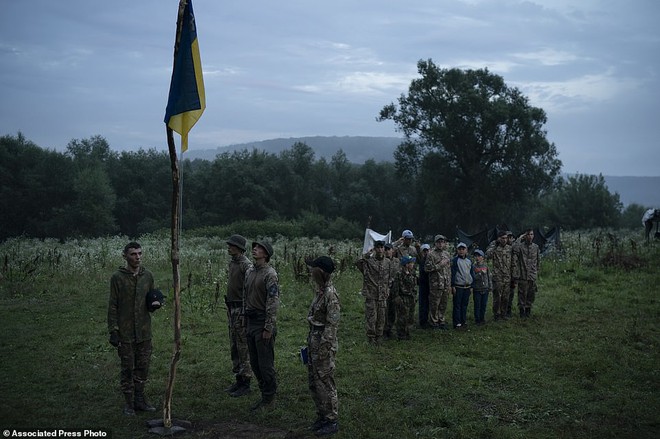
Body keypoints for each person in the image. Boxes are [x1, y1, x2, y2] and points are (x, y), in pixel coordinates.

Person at [107, 241, 162, 415]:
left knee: (143, 367)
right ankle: (129, 403)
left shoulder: (147, 276)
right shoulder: (118, 277)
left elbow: (151, 297)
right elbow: (113, 305)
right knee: (127, 368)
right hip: (125, 333)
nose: (137, 257)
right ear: (125, 256)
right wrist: (113, 330)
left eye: (139, 253)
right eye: (133, 254)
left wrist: (155, 303)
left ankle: (140, 400)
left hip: (144, 332)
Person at [306, 256, 341, 436]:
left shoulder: (330, 294)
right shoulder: (320, 291)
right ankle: (322, 415)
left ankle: (331, 419)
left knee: (325, 380)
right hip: (314, 340)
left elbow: (331, 325)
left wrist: (324, 348)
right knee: (314, 381)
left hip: (323, 343)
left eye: (313, 268)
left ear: (320, 271)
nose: (311, 271)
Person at [244, 240, 280, 410]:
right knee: (255, 363)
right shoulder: (250, 271)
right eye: (254, 247)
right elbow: (246, 295)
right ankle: (264, 394)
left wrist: (268, 327)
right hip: (251, 321)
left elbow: (273, 302)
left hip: (262, 322)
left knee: (265, 364)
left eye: (259, 248)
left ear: (266, 254)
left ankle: (270, 398)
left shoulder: (270, 274)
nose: (254, 249)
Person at [224, 234, 253, 397]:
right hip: (231, 308)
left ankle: (246, 382)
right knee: (234, 345)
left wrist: (244, 311)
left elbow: (249, 290)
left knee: (243, 346)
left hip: (240, 309)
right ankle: (239, 379)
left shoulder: (246, 266)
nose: (229, 247)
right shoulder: (233, 263)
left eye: (232, 245)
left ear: (239, 248)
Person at [356, 240, 392, 345]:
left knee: (381, 317)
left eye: (382, 248)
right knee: (371, 317)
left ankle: (379, 336)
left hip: (383, 294)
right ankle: (371, 337)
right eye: (378, 247)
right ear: (375, 249)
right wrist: (367, 254)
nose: (380, 250)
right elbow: (358, 262)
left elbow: (390, 277)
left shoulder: (388, 262)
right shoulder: (369, 262)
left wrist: (388, 288)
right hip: (371, 293)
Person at [424, 235, 451, 330]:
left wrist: (449, 284)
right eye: (438, 242)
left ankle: (441, 320)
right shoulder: (431, 254)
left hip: (445, 283)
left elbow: (448, 270)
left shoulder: (447, 254)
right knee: (434, 304)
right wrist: (440, 265)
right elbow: (427, 268)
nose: (440, 244)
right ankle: (433, 322)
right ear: (435, 243)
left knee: (443, 303)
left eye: (442, 242)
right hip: (436, 284)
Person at [512, 229, 540, 318]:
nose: (530, 236)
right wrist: (519, 238)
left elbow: (538, 261)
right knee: (522, 294)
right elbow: (514, 249)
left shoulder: (536, 247)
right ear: (525, 236)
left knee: (531, 294)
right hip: (523, 275)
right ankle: (522, 311)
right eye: (528, 234)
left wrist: (536, 271)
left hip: (532, 275)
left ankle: (528, 310)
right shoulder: (520, 246)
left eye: (532, 234)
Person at [486, 230, 513, 321]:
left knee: (506, 297)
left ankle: (503, 313)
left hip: (507, 277)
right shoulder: (494, 248)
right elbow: (488, 255)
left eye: (506, 238)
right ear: (498, 239)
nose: (504, 240)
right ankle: (496, 314)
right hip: (497, 277)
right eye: (502, 238)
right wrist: (495, 245)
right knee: (497, 297)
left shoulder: (509, 248)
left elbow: (513, 262)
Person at [391, 255, 418, 340]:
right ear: (406, 264)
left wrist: (414, 296)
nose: (412, 264)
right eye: (411, 263)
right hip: (403, 298)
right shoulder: (399, 274)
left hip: (411, 298)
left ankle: (407, 332)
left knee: (410, 316)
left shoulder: (412, 273)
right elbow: (395, 288)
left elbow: (414, 286)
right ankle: (401, 334)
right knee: (402, 317)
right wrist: (397, 298)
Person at [450, 242, 474, 329]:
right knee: (457, 305)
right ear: (457, 250)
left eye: (463, 249)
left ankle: (463, 321)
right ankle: (457, 323)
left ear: (466, 250)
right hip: (458, 286)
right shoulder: (455, 261)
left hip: (467, 286)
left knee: (464, 305)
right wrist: (452, 285)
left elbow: (471, 273)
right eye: (459, 249)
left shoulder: (469, 261)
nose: (461, 251)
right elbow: (452, 273)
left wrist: (472, 286)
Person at [471, 249, 492, 325]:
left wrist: (490, 286)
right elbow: (473, 277)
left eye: (479, 256)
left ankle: (482, 318)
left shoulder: (486, 266)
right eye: (476, 256)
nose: (477, 258)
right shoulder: (473, 267)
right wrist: (480, 273)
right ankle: (477, 320)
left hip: (485, 288)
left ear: (482, 257)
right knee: (477, 305)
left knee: (484, 305)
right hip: (477, 289)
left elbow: (489, 276)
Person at [383, 243, 397, 340]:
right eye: (386, 249)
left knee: (393, 310)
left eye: (389, 249)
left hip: (395, 289)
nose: (387, 251)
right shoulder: (382, 262)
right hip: (385, 289)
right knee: (384, 310)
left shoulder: (397, 261)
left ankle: (390, 329)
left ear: (392, 250)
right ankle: (383, 330)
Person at [417, 244, 431, 329]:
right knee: (423, 303)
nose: (426, 252)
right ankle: (422, 321)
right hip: (423, 285)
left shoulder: (431, 260)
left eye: (427, 251)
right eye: (424, 251)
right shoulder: (422, 261)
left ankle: (428, 319)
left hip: (431, 284)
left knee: (429, 303)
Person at [505, 231, 516, 318]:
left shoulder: (514, 247)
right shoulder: (501, 246)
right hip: (503, 275)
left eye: (510, 237)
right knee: (503, 295)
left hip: (513, 275)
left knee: (511, 294)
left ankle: (508, 310)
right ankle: (502, 311)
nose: (509, 239)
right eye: (507, 237)